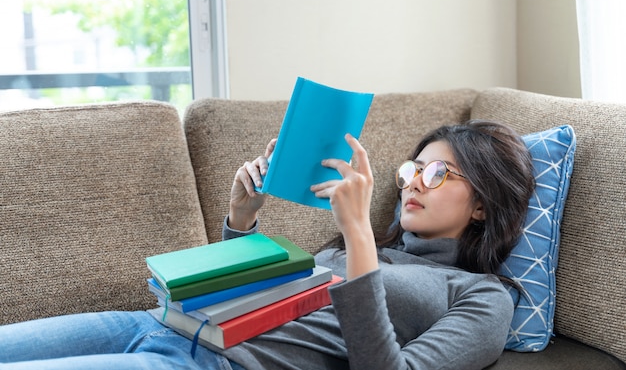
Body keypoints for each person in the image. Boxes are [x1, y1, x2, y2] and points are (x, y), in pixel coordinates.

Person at [0, 119, 535, 370]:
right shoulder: (367, 246)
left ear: (484, 205)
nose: (414, 182)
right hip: (149, 322)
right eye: (412, 169)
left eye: (438, 173)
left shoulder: (483, 298)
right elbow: (250, 293)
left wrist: (356, 236)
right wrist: (242, 218)